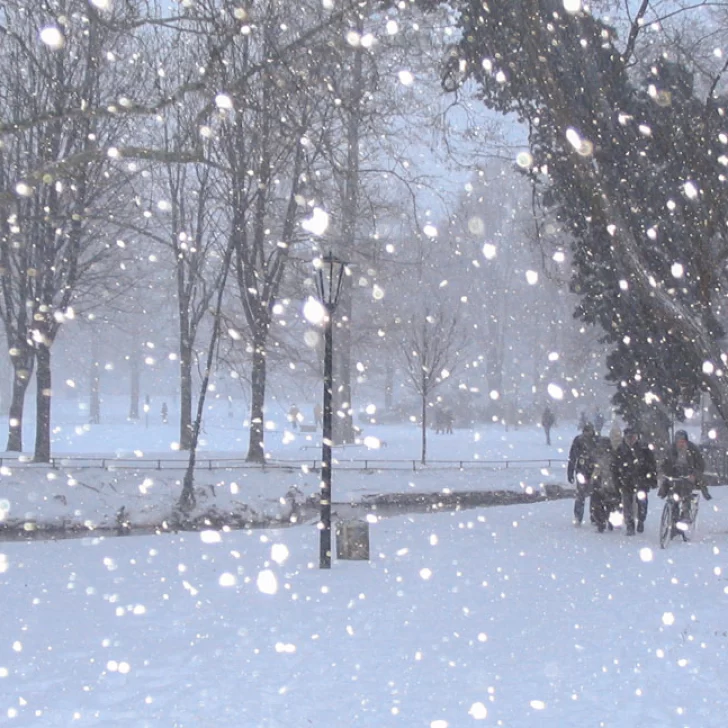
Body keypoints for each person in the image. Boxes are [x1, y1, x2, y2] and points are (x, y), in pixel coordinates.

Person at [611, 427, 657, 535]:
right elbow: (614, 467)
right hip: (626, 480)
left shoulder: (644, 449)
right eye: (628, 437)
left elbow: (652, 465)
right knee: (627, 503)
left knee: (642, 502)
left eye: (633, 437)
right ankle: (630, 524)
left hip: (641, 480)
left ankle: (641, 520)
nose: (631, 440)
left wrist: (651, 478)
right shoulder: (620, 450)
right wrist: (617, 480)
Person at [659, 429, 711, 509]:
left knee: (686, 491)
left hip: (689, 473)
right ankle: (673, 512)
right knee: (672, 490)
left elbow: (700, 464)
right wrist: (666, 473)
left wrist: (694, 475)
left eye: (683, 441)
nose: (681, 443)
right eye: (679, 441)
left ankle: (686, 512)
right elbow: (665, 464)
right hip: (674, 474)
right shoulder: (671, 450)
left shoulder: (693, 449)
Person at [567, 422, 599, 526]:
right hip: (582, 470)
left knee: (594, 495)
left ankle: (594, 516)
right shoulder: (578, 441)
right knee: (581, 495)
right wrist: (570, 472)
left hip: (594, 470)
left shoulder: (597, 440)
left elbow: (601, 455)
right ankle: (578, 516)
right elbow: (572, 457)